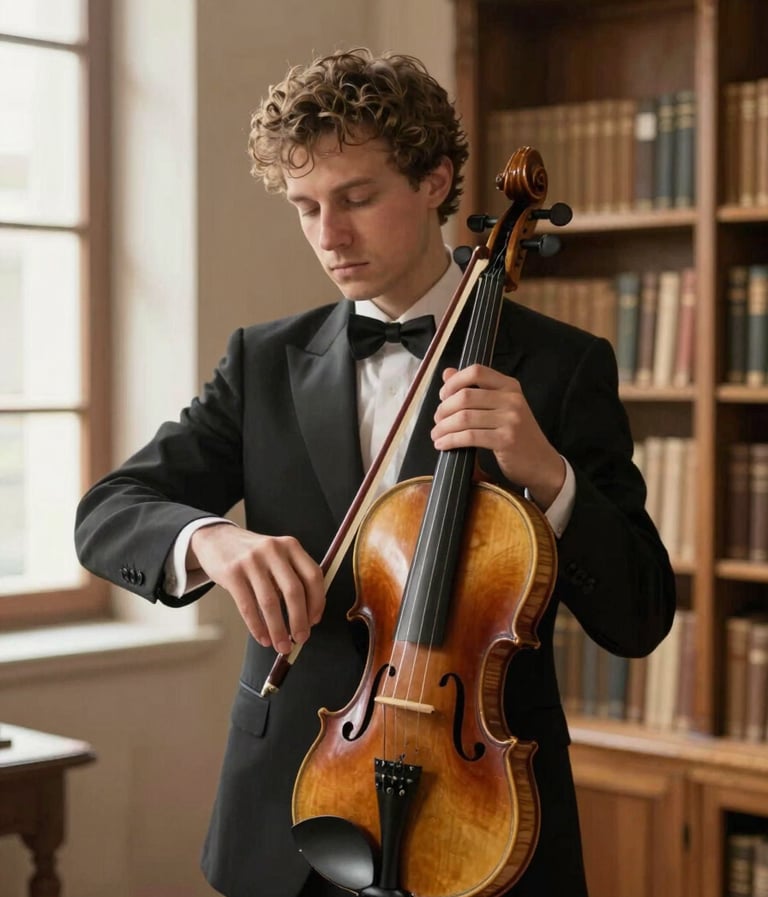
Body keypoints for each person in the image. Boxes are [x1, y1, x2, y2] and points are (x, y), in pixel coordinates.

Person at [75, 48, 675, 897]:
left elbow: (640, 612)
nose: (331, 235)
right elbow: (108, 510)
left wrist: (549, 475)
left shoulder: (560, 367)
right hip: (291, 808)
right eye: (307, 207)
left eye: (356, 198)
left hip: (484, 807)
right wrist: (211, 540)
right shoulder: (263, 361)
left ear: (435, 181)